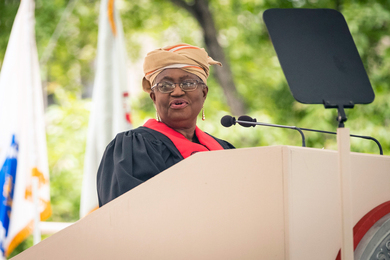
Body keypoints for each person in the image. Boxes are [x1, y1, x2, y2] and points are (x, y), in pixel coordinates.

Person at [97, 43, 235, 207]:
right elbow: (128, 216)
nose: (177, 92)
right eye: (165, 86)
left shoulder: (224, 150)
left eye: (188, 83)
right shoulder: (132, 149)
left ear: (204, 93)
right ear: (154, 97)